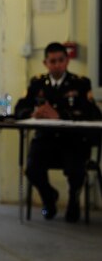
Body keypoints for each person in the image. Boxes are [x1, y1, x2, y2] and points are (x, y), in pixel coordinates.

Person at [15, 42, 102, 223]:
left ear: (67, 61)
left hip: (72, 141)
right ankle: (49, 198)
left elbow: (92, 114)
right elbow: (19, 109)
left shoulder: (80, 83)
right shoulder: (37, 83)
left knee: (76, 169)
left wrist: (60, 115)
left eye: (61, 60)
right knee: (32, 169)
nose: (57, 65)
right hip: (45, 140)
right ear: (45, 63)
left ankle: (73, 201)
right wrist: (33, 113)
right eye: (52, 61)